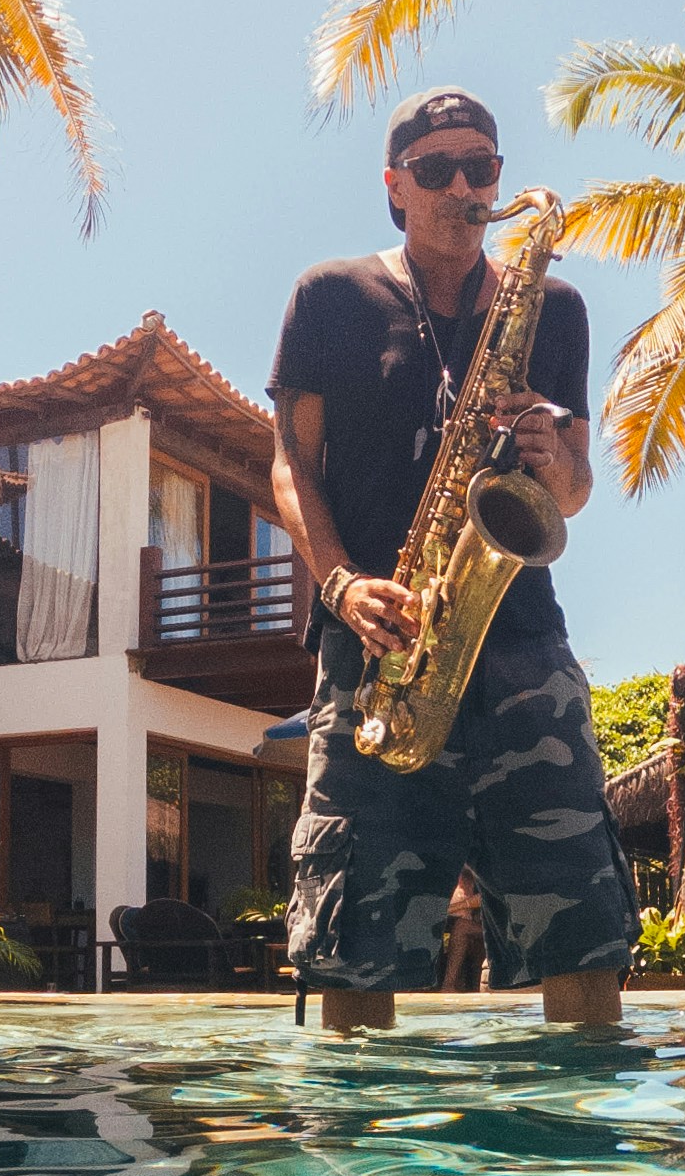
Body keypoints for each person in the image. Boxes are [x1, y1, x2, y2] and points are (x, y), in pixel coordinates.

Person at [269, 85, 638, 1030]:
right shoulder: (329, 296)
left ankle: (576, 1152)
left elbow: (575, 492)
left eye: (482, 167)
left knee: (584, 935)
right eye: (437, 171)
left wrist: (555, 457)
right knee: (356, 949)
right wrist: (342, 584)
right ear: (396, 186)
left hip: (522, 650)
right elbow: (289, 466)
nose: (463, 187)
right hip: (380, 650)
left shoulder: (553, 309)